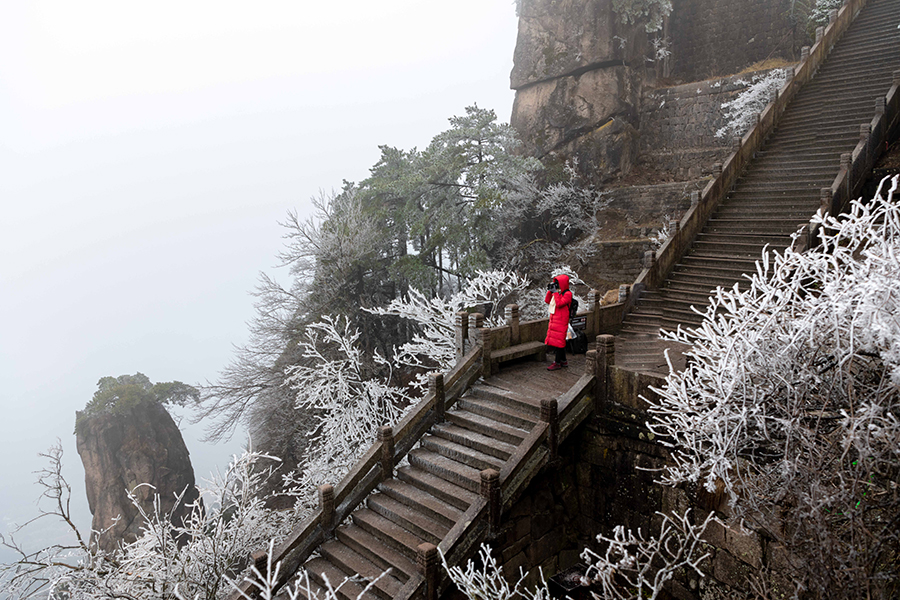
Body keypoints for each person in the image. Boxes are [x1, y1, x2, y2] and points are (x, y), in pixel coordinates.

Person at [544, 274, 572, 370]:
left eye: (558, 283)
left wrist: (555, 293)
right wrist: (550, 291)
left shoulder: (568, 294)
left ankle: (557, 363)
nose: (557, 285)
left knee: (559, 342)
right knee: (558, 341)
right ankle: (563, 361)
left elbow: (559, 304)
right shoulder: (558, 294)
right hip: (555, 320)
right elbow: (547, 301)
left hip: (561, 320)